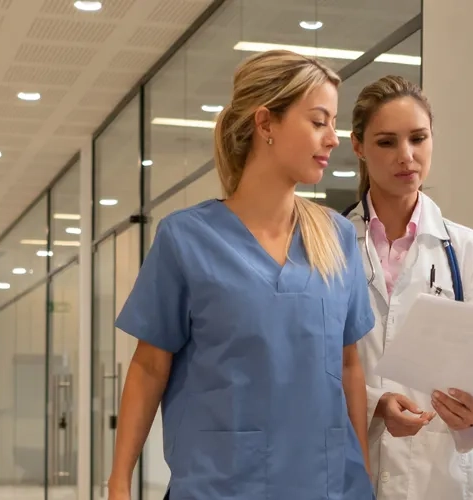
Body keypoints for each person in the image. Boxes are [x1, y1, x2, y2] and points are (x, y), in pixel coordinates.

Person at [104, 50, 376, 500]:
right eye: (318, 121)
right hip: (220, 485)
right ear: (265, 123)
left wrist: (361, 474)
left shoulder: (338, 238)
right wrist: (118, 483)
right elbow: (149, 367)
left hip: (327, 486)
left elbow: (349, 367)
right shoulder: (186, 240)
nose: (333, 138)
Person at [341, 75, 473, 499]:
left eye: (418, 138)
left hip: (446, 477)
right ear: (358, 146)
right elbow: (316, 366)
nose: (407, 156)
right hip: (358, 466)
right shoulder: (333, 245)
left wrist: (472, 415)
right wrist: (375, 404)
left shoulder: (466, 249)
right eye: (386, 142)